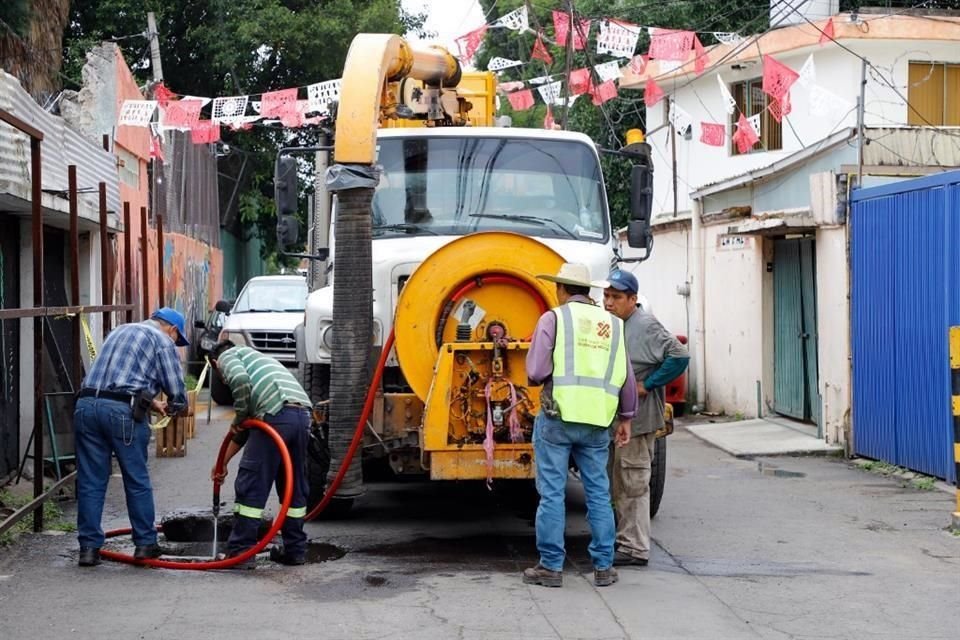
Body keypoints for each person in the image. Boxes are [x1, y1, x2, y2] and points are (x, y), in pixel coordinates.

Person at [523, 263, 637, 588]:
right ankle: (604, 567)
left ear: (561, 289)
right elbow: (626, 376)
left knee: (552, 494)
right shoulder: (614, 325)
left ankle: (551, 567)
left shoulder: (553, 319)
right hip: (598, 422)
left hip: (558, 419)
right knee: (599, 493)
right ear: (589, 292)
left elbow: (535, 371)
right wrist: (626, 417)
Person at [74, 307, 189, 567]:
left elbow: (117, 380)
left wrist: (151, 404)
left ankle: (89, 549)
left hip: (86, 407)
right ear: (171, 329)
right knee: (136, 479)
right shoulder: (162, 341)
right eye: (177, 338)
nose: (175, 343)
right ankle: (146, 544)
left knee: (91, 480)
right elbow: (176, 389)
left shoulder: (119, 331)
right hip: (122, 415)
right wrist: (178, 406)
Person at [603, 269, 689, 567]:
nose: (608, 302)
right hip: (620, 420)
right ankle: (624, 540)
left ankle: (635, 548)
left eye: (615, 297)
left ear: (632, 299)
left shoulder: (645, 325)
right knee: (619, 482)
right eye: (606, 296)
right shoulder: (618, 324)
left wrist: (647, 385)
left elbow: (679, 356)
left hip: (638, 421)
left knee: (633, 483)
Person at [208, 341, 312, 568]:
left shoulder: (228, 356)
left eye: (220, 376)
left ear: (215, 364)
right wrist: (222, 463)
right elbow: (245, 432)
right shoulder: (259, 361)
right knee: (292, 488)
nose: (223, 380)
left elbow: (240, 382)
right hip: (301, 415)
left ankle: (241, 553)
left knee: (251, 485)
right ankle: (295, 550)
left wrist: (239, 417)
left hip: (275, 415)